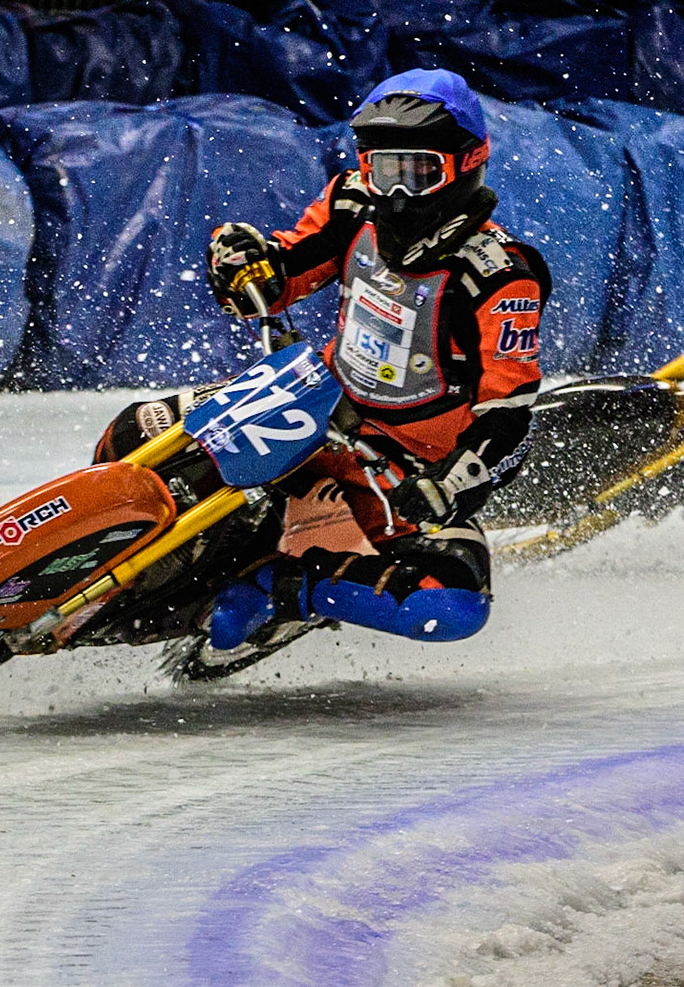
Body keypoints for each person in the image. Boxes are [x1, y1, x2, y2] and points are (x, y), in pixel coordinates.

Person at [95, 68, 551, 651]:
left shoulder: (501, 276)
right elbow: (282, 272)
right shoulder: (352, 202)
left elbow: (509, 413)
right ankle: (94, 551)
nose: (399, 193)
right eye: (386, 171)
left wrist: (446, 486)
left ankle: (279, 588)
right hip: (310, 404)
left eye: (419, 172)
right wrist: (246, 263)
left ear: (468, 163)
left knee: (452, 606)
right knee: (138, 426)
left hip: (400, 467)